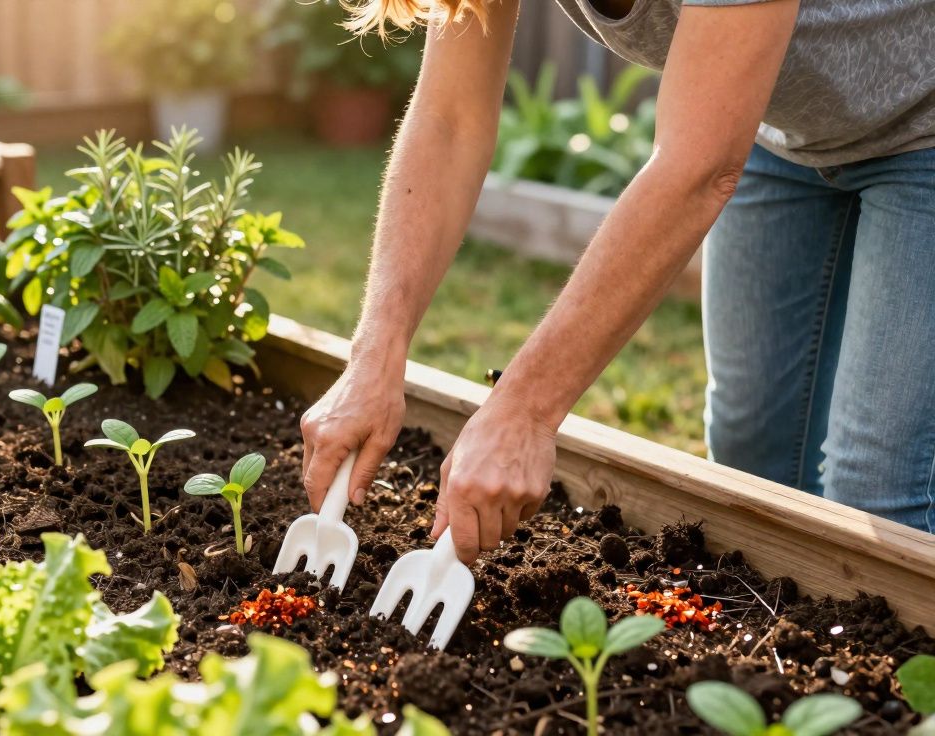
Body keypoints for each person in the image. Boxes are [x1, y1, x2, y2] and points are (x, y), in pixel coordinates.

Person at [299, 0, 935, 564]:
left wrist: (523, 412)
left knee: (874, 490)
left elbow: (698, 167)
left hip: (925, 123)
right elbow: (450, 118)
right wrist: (373, 356)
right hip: (779, 131)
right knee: (751, 457)